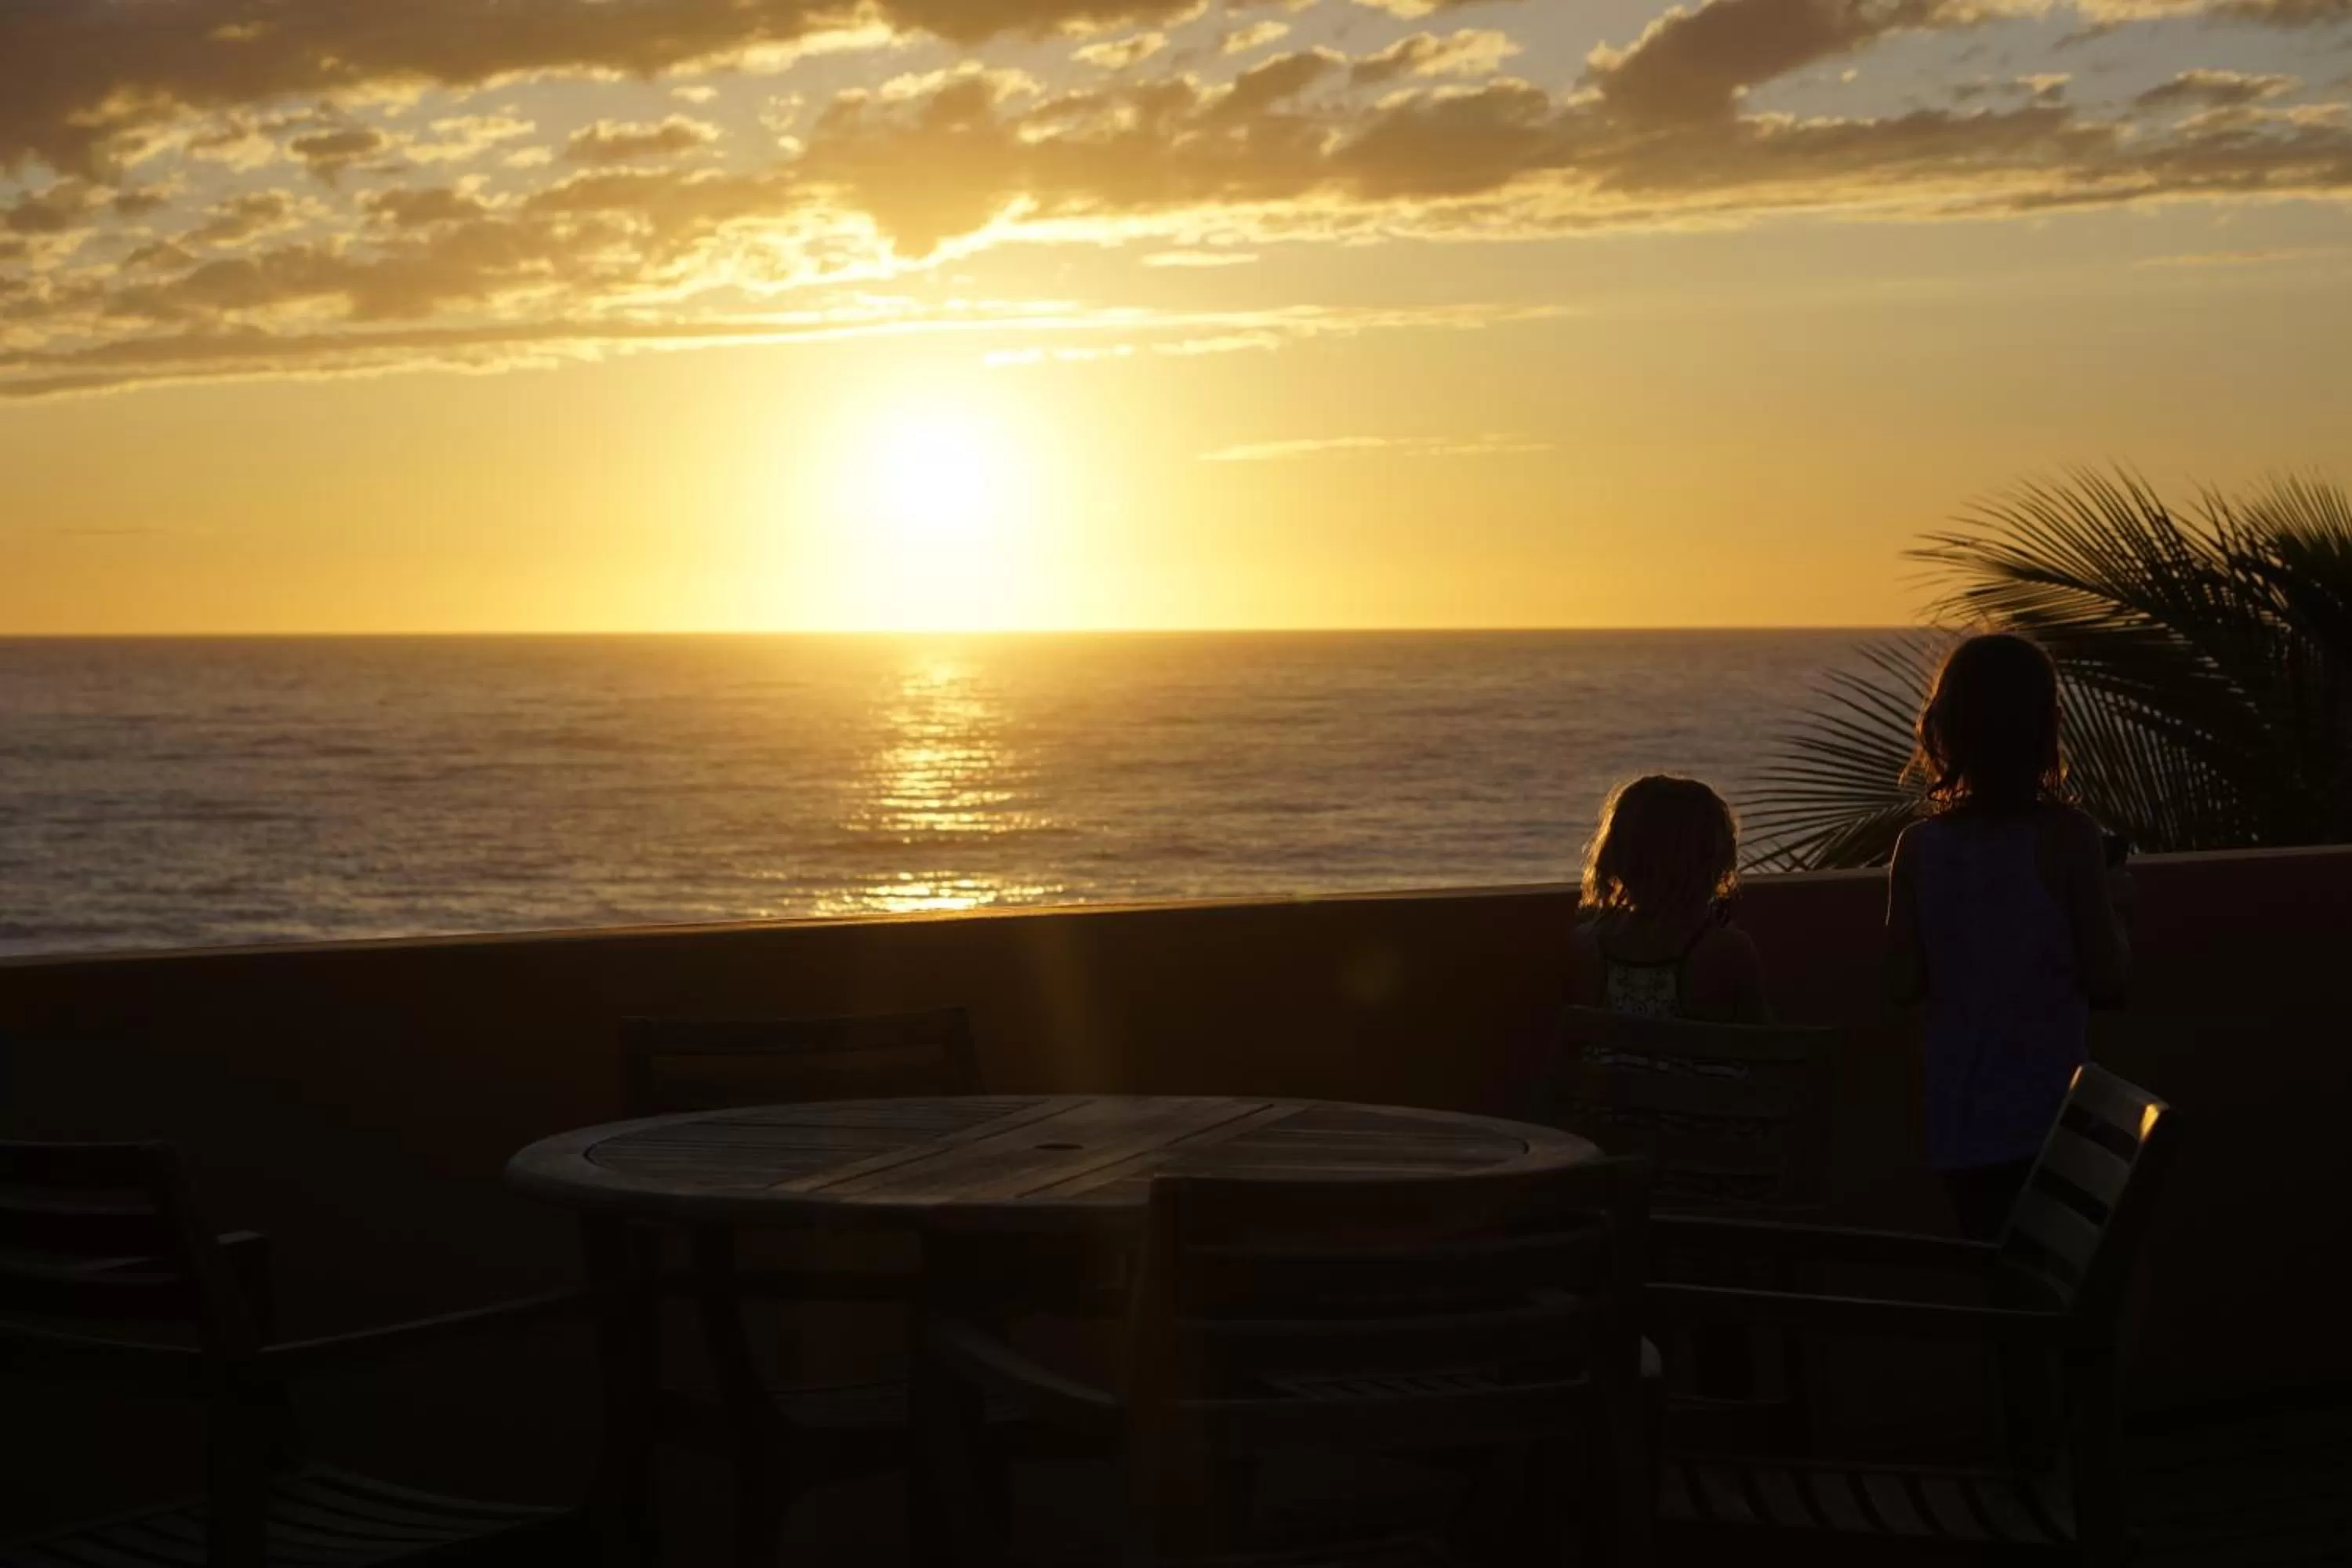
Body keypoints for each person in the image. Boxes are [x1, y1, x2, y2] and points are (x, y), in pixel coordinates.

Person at [1884, 632, 2132, 1241]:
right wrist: (2116, 901)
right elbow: (2109, 983)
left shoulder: (1918, 848)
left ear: (1943, 729)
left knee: (2002, 1295)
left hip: (1961, 1127)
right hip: (2055, 1119)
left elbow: (1899, 983)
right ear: (2046, 726)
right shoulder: (2071, 837)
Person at [1566, 774, 1772, 1025]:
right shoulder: (1727, 950)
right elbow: (1761, 1042)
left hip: (1608, 1065)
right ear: (1713, 861)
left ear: (1618, 858)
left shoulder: (1587, 945)